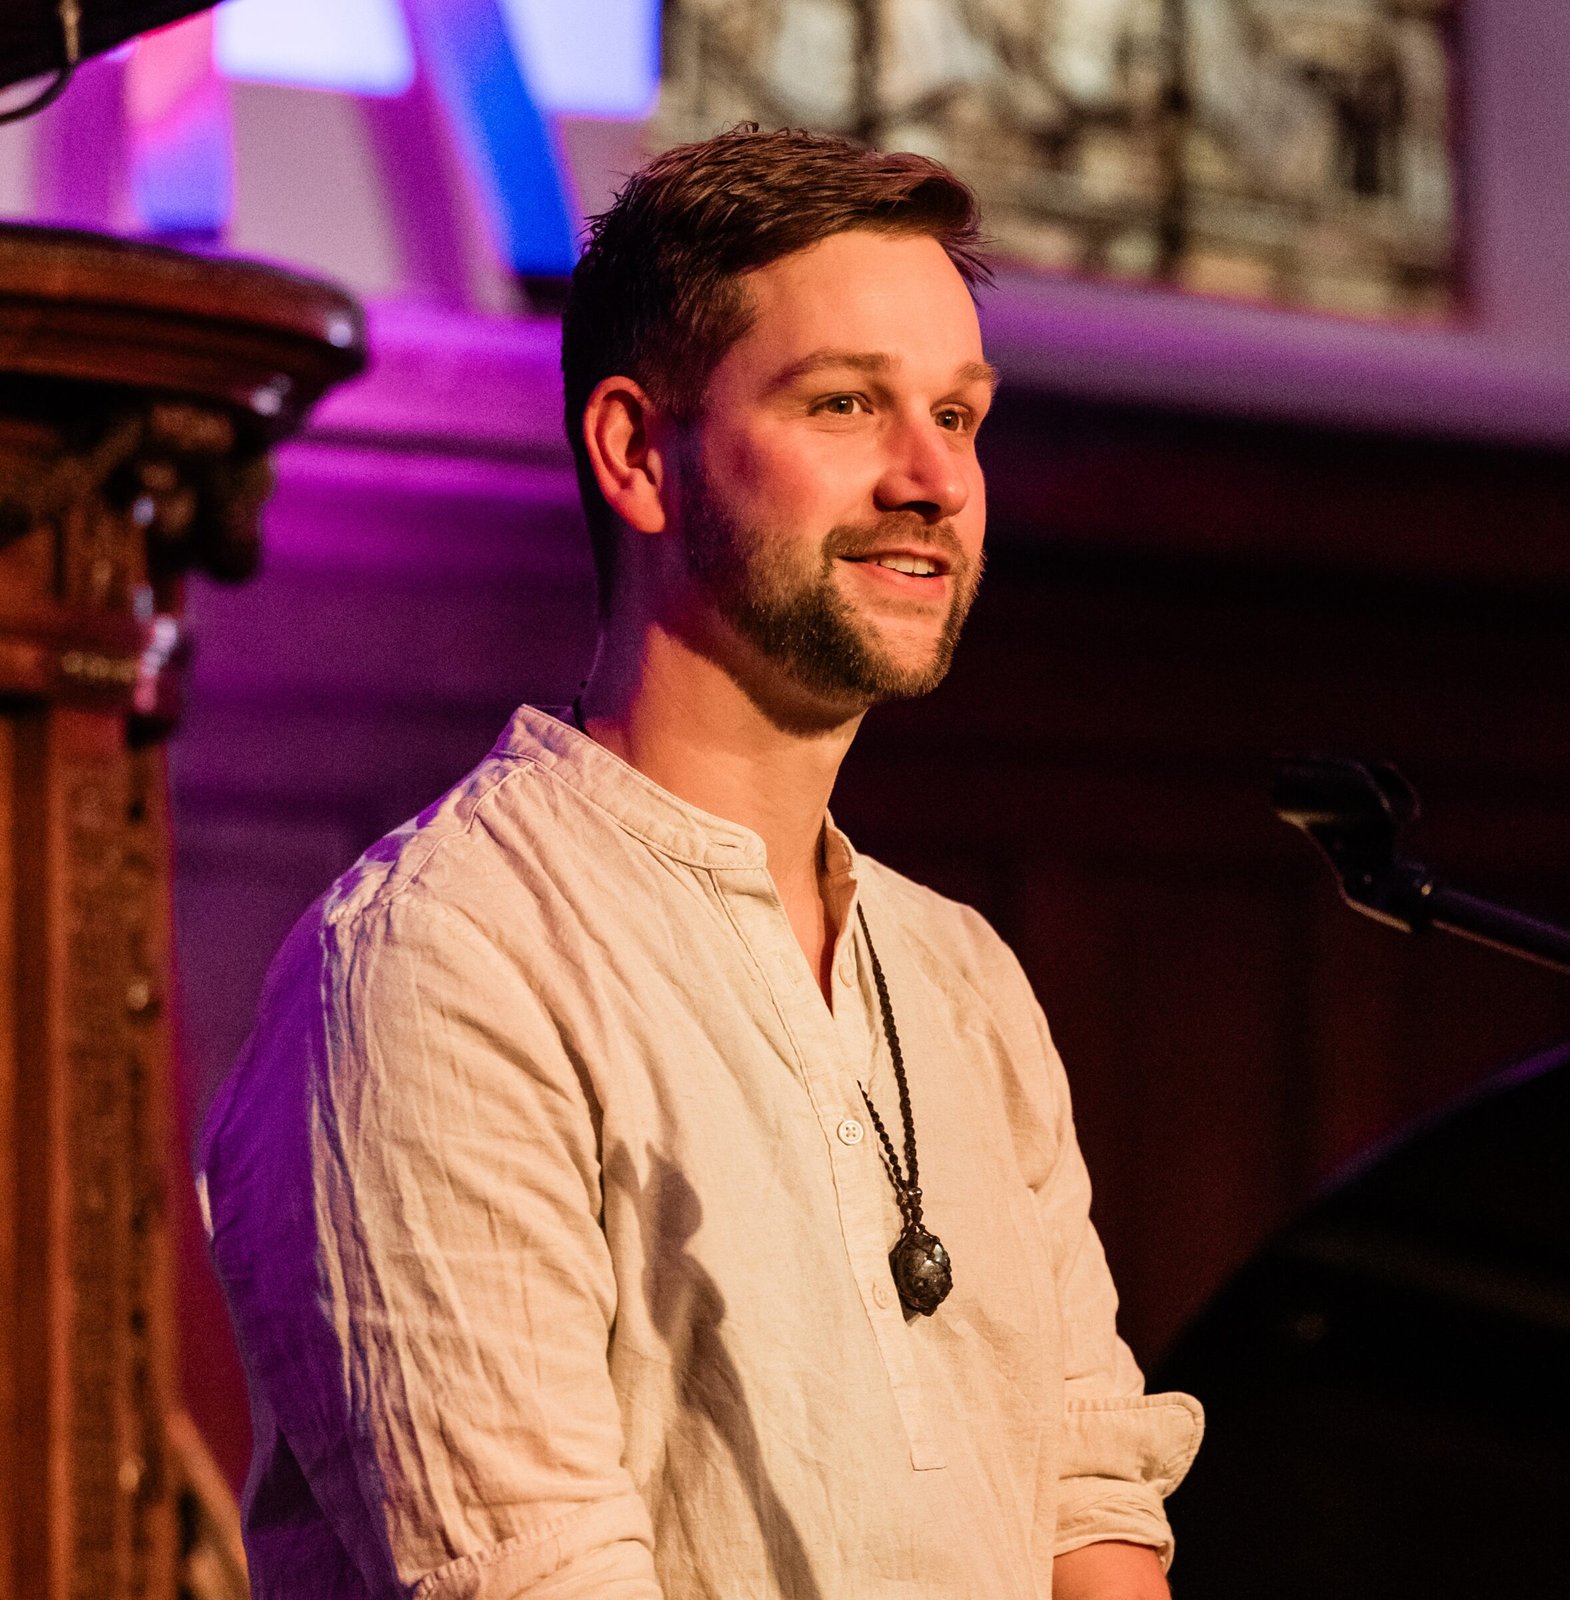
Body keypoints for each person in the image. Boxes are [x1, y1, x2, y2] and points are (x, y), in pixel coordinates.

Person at [198, 125, 1202, 1600]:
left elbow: (1088, 1509)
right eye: (845, 403)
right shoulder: (443, 961)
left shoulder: (962, 979)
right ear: (636, 454)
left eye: (959, 414)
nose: (934, 477)